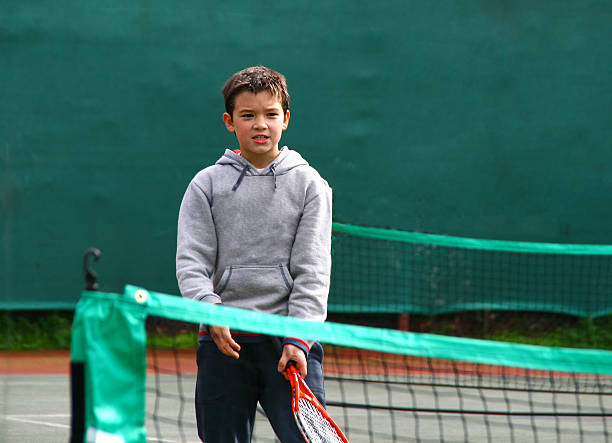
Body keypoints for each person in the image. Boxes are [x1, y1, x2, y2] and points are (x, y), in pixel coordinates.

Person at [176, 66, 332, 442]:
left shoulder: (310, 184)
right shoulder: (205, 185)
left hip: (288, 345)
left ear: (286, 119)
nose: (260, 124)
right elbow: (191, 263)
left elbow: (313, 270)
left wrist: (299, 339)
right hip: (221, 344)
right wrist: (209, 312)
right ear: (230, 122)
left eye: (270, 114)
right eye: (248, 115)